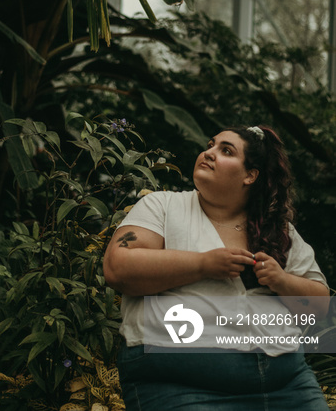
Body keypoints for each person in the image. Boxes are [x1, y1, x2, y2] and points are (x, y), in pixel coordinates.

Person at [104, 125, 330, 410]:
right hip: (180, 386)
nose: (208, 152)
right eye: (210, 145)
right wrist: (203, 264)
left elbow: (321, 306)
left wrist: (282, 281)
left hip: (286, 386)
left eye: (225, 151)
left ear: (250, 175)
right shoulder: (162, 206)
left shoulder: (278, 230)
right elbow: (118, 267)